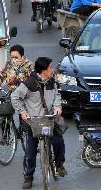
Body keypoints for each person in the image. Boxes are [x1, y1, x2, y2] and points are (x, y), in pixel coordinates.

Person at [11, 56, 66, 189]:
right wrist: (22, 111)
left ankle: (59, 165)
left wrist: (58, 107)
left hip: (49, 119)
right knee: (30, 151)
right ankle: (28, 176)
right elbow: (15, 97)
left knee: (58, 141)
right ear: (43, 71)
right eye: (50, 68)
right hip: (33, 122)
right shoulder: (29, 83)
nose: (52, 70)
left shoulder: (52, 81)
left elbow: (57, 95)